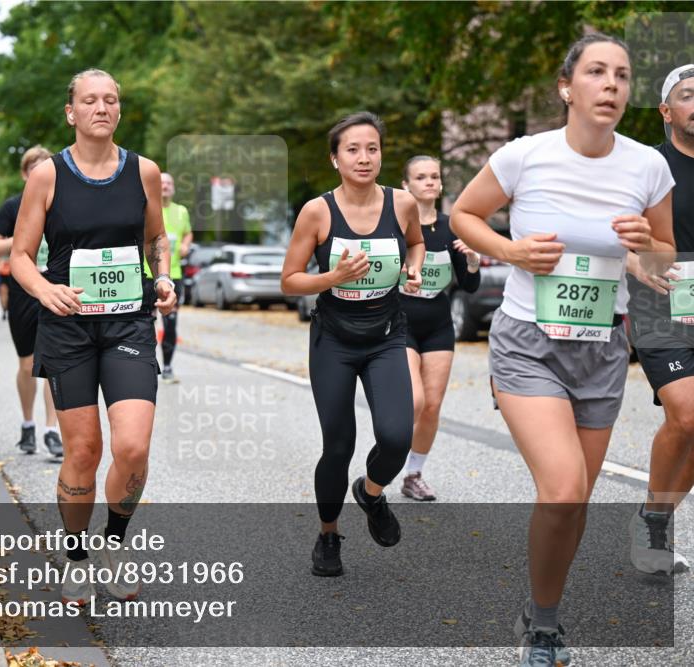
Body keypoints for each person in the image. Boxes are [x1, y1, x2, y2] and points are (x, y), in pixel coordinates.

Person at [450, 34, 675, 667]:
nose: (611, 85)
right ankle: (543, 627)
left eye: (623, 76)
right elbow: (464, 216)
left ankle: (539, 606)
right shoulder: (525, 156)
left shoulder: (646, 167)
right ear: (566, 87)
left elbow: (661, 260)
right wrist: (511, 251)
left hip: (602, 348)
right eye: (597, 72)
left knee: (575, 502)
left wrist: (643, 246)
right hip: (528, 344)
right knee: (564, 487)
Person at [10, 69, 176, 606]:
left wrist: (165, 275)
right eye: (89, 100)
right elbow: (18, 257)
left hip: (129, 322)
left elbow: (157, 237)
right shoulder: (48, 176)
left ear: (118, 112)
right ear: (72, 112)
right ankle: (76, 554)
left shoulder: (144, 172)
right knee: (83, 449)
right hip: (69, 327)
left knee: (132, 447)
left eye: (110, 100)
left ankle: (112, 545)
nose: (101, 108)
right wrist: (44, 289)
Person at [280, 111, 425, 578]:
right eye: (353, 150)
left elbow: (417, 242)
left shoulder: (402, 204)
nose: (364, 158)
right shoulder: (318, 211)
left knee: (398, 434)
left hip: (386, 337)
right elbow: (289, 280)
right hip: (334, 342)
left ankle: (373, 492)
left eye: (372, 148)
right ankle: (328, 534)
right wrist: (332, 277)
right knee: (338, 446)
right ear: (335, 159)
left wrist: (414, 267)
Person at [625, 62, 694, 576]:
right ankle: (653, 522)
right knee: (689, 413)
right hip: (660, 303)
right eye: (689, 96)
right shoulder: (648, 165)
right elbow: (616, 230)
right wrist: (636, 262)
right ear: (667, 111)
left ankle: (654, 518)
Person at [397, 156, 481, 501]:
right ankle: (388, 451)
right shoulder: (394, 225)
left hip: (438, 325)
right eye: (421, 177)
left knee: (432, 405)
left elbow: (469, 286)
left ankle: (413, 474)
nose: (429, 182)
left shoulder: (452, 227)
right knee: (413, 401)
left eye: (434, 176)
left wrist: (473, 261)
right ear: (407, 185)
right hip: (398, 322)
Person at [0, 145, 62, 458]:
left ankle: (52, 430)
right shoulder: (13, 206)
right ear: (24, 173)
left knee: (54, 362)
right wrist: (22, 239)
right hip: (22, 291)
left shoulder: (63, 205)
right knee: (28, 364)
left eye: (46, 166)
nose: (39, 172)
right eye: (33, 167)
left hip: (56, 289)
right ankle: (28, 423)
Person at [152, 172, 192, 383]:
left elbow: (187, 232)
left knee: (171, 323)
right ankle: (148, 364)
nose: (165, 186)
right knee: (146, 323)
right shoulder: (149, 207)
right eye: (162, 183)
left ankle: (167, 366)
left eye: (169, 183)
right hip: (148, 274)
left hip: (174, 274)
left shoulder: (181, 211)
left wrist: (186, 244)